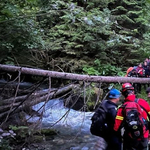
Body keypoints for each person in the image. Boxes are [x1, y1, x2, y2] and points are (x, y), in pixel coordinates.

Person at [114, 83, 150, 150]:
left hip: (130, 137)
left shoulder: (122, 107)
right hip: (144, 136)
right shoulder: (142, 102)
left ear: (123, 94)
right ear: (133, 91)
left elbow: (117, 127)